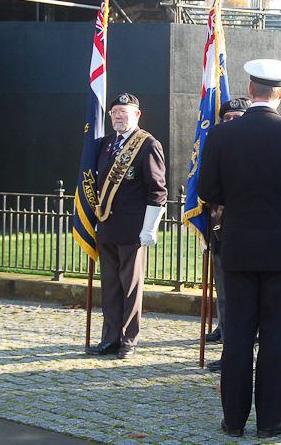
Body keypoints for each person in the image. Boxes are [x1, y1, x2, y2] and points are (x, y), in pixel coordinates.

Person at [197, 59, 281, 438]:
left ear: (250, 89)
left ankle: (233, 421)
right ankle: (271, 421)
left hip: (237, 247)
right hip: (279, 251)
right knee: (274, 337)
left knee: (237, 336)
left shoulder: (222, 135)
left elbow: (208, 191)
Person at [86, 92, 167, 360]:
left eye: (124, 112)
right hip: (107, 226)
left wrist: (150, 227)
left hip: (133, 230)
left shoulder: (147, 144)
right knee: (109, 285)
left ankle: (129, 339)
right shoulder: (106, 144)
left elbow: (157, 189)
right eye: (114, 112)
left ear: (137, 115)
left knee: (130, 286)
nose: (118, 116)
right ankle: (109, 338)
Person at [205, 97, 252, 372]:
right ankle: (226, 336)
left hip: (248, 236)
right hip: (222, 231)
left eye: (238, 117)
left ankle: (241, 348)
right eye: (228, 118)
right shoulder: (217, 146)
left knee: (245, 300)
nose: (232, 122)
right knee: (224, 292)